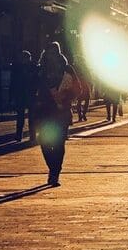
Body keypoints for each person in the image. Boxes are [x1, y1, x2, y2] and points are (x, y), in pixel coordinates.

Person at [36, 42, 81, 186]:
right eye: (49, 53)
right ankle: (52, 169)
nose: (52, 56)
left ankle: (55, 173)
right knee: (45, 142)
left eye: (55, 53)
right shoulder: (40, 70)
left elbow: (78, 89)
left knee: (59, 143)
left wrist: (65, 96)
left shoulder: (67, 69)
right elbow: (33, 88)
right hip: (45, 112)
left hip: (61, 111)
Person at [9, 51, 35, 142]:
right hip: (24, 95)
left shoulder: (31, 68)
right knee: (23, 116)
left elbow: (13, 83)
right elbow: (13, 83)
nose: (25, 60)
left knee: (27, 116)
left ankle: (27, 135)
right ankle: (22, 135)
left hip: (26, 95)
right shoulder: (20, 68)